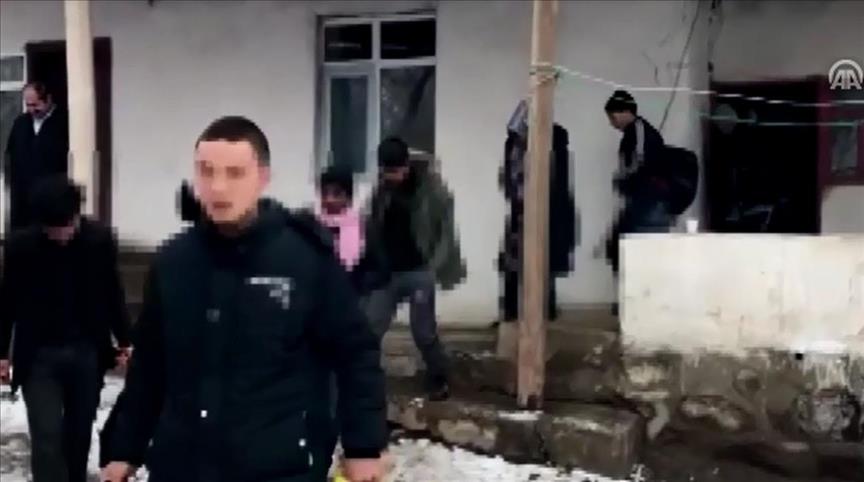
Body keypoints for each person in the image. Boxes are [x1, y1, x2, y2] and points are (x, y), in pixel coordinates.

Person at [100, 116, 386, 482]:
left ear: (263, 178)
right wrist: (125, 448)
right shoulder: (173, 262)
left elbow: (355, 354)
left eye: (235, 173)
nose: (218, 187)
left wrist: (363, 446)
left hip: (278, 465)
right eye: (206, 171)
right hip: (183, 464)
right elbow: (150, 366)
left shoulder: (305, 259)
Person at [0, 175, 132, 482]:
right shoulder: (22, 247)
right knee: (46, 434)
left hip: (87, 351)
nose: (61, 235)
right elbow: (7, 301)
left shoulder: (98, 241)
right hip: (39, 355)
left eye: (66, 227)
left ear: (76, 215)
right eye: (53, 229)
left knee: (79, 433)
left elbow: (112, 292)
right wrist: (2, 352)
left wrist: (126, 340)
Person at [364, 138, 466, 401]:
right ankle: (363, 379)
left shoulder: (430, 189)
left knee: (423, 331)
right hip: (388, 273)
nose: (392, 177)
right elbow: (372, 226)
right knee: (370, 326)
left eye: (396, 171)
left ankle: (438, 376)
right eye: (386, 171)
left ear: (406, 165)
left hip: (419, 270)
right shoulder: (381, 191)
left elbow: (446, 234)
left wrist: (433, 267)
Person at [498, 100, 577, 323]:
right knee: (513, 263)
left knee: (544, 263)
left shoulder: (553, 141)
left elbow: (556, 183)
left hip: (546, 212)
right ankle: (512, 314)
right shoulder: (514, 144)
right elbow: (510, 176)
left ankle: (544, 314)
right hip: (520, 211)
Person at [603, 90, 673, 278]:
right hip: (641, 205)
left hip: (649, 207)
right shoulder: (632, 132)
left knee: (636, 261)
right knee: (623, 255)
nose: (612, 123)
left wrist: (622, 179)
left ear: (625, 112)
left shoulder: (639, 129)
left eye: (612, 117)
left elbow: (638, 164)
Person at [3, 82, 69, 231]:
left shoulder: (63, 123)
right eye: (28, 105)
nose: (32, 110)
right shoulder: (20, 123)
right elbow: (10, 155)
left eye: (35, 105)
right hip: (22, 200)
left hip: (50, 200)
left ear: (48, 99)